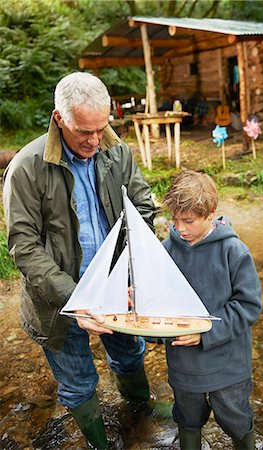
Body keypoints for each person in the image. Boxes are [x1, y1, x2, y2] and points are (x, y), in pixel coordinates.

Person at [3, 72, 157, 450]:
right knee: (77, 381)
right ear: (59, 119)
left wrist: (130, 270)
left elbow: (142, 207)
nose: (94, 140)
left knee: (130, 353)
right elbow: (23, 245)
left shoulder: (116, 150)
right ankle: (99, 443)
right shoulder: (27, 167)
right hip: (60, 302)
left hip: (117, 286)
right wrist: (75, 299)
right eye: (83, 131)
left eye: (101, 128)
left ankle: (140, 411)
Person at [162, 170, 262, 450]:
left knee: (236, 418)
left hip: (228, 365)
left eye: (189, 221)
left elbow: (248, 306)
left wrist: (205, 332)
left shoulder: (234, 251)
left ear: (211, 214)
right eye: (175, 220)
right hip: (183, 364)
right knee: (187, 418)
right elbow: (156, 302)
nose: (180, 228)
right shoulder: (165, 252)